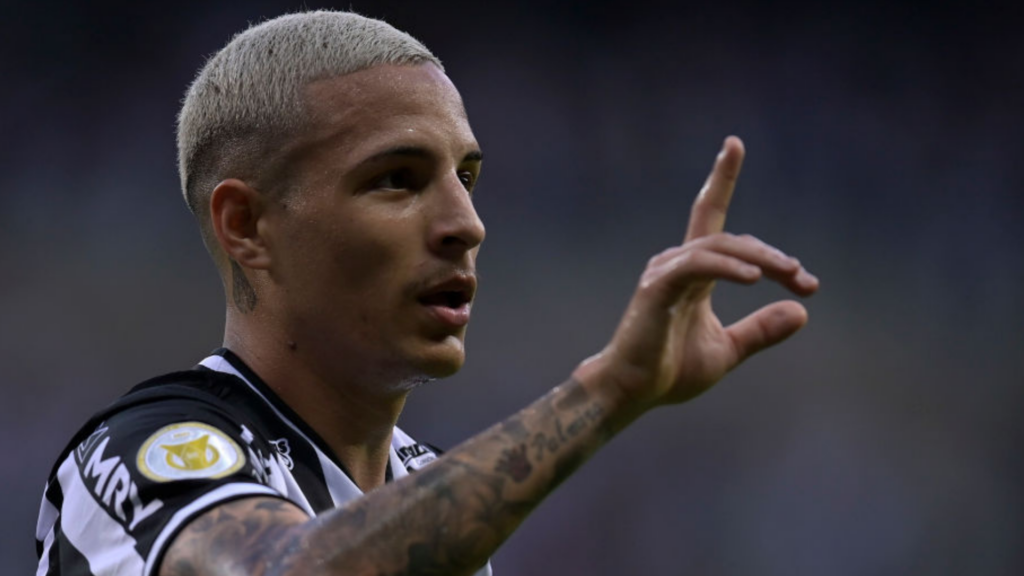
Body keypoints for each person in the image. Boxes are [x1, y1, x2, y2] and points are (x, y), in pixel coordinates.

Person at [35, 10, 819, 576]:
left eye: (466, 178)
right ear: (247, 225)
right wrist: (607, 390)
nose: (467, 224)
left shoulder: (425, 494)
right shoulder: (135, 455)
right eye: (397, 180)